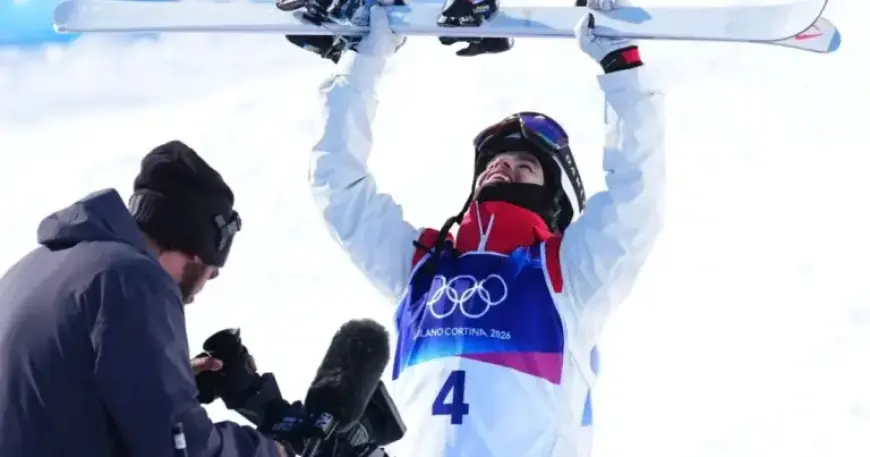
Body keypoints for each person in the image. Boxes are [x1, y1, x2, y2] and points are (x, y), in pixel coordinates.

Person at [307, 0, 665, 456]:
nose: (503, 168)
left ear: (553, 200)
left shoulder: (569, 276)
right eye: (495, 162)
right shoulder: (421, 269)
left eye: (524, 165)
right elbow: (338, 188)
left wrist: (622, 70)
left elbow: (636, 194)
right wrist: (361, 64)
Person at [0, 140, 301, 457]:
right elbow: (179, 448)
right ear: (193, 251)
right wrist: (272, 452)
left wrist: (169, 382)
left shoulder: (34, 268)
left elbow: (56, 399)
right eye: (212, 272)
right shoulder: (133, 279)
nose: (205, 285)